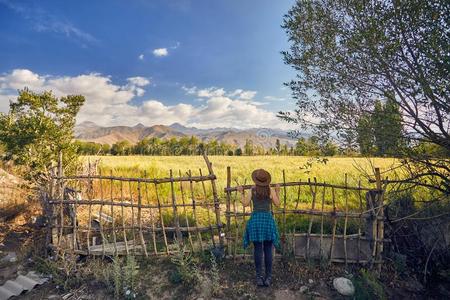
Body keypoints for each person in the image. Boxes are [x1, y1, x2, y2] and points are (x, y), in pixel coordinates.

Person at [237, 169, 280, 287]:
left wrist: (241, 192)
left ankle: (258, 277)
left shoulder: (252, 190)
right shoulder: (270, 190)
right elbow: (277, 204)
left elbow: (245, 203)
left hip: (256, 220)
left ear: (256, 180)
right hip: (267, 220)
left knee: (257, 249)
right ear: (266, 180)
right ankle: (268, 277)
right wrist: (277, 191)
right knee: (268, 249)